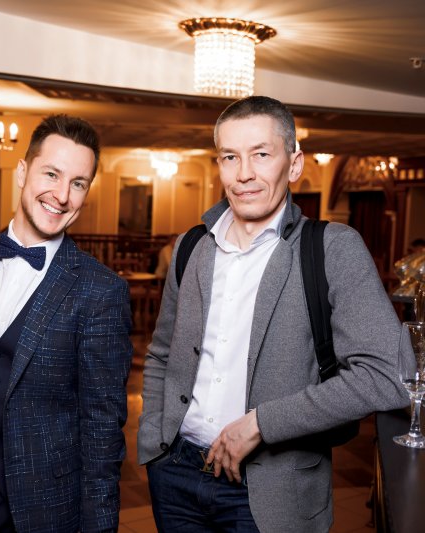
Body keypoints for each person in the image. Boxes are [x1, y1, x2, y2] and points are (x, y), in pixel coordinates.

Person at [138, 95, 408, 533]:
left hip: (275, 491)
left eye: (261, 154)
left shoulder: (333, 248)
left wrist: (262, 424)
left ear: (294, 164)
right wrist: (155, 440)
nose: (244, 173)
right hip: (177, 475)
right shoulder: (191, 246)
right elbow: (162, 353)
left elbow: (388, 376)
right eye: (230, 157)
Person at [0, 114, 133, 532]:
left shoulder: (101, 290)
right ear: (22, 172)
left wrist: (100, 526)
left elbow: (102, 430)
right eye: (51, 174)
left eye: (78, 183)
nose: (62, 195)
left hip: (41, 511)